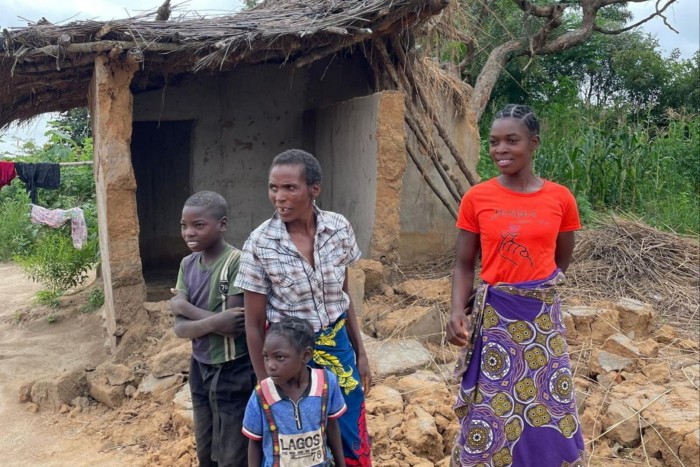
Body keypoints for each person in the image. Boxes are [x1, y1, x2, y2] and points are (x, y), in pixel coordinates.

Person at [446, 105, 586, 466]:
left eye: (512, 140)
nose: (500, 149)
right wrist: (455, 311)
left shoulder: (560, 199)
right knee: (493, 401)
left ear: (534, 143)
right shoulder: (478, 198)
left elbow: (560, 261)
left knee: (548, 396)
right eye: (494, 142)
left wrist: (534, 291)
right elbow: (463, 264)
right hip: (495, 320)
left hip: (541, 320)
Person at [234, 149, 372, 466]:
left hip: (339, 352)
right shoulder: (260, 243)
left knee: (349, 431)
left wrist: (360, 353)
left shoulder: (338, 229)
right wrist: (266, 385)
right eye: (273, 188)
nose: (279, 197)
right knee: (299, 441)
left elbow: (343, 297)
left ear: (314, 189)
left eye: (289, 188)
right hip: (290, 360)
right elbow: (254, 325)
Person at [170, 190, 256, 467]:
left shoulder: (236, 262)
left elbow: (233, 326)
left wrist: (183, 307)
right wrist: (215, 321)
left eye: (199, 225)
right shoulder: (187, 264)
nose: (189, 232)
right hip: (200, 366)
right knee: (205, 449)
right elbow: (180, 329)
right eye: (184, 225)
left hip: (233, 369)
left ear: (222, 224)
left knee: (232, 454)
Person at [242, 316, 347, 467]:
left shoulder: (326, 383)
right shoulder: (262, 394)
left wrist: (341, 464)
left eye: (279, 357)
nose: (270, 365)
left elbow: (332, 425)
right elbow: (254, 442)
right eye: (266, 357)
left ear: (305, 355)